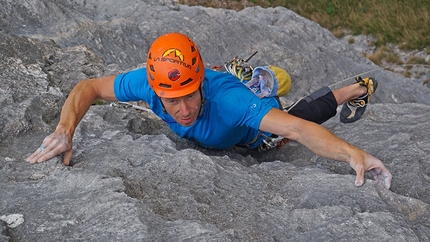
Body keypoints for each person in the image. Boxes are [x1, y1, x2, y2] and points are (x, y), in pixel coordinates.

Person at [27, 32, 392, 189]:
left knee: (295, 117)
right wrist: (64, 129)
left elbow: (300, 130)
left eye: (191, 95)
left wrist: (351, 153)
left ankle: (359, 87)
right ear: (155, 90)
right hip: (229, 100)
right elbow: (87, 87)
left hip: (253, 131)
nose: (184, 110)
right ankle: (256, 78)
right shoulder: (144, 83)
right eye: (173, 100)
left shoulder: (229, 104)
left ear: (201, 82)